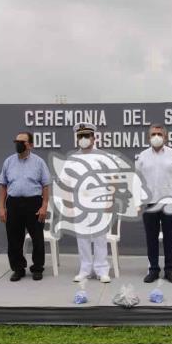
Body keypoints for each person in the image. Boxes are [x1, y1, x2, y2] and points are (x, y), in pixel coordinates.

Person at [0, 131, 51, 281]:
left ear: (31, 145)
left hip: (34, 203)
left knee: (37, 238)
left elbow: (46, 185)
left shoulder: (39, 162)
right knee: (14, 239)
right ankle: (18, 268)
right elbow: (2, 185)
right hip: (13, 203)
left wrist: (44, 205)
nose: (18, 144)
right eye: (16, 141)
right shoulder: (8, 162)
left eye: (22, 142)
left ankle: (37, 268)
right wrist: (1, 207)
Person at [135, 124, 172, 283]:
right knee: (151, 238)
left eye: (159, 134)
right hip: (150, 204)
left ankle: (169, 270)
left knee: (170, 238)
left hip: (170, 203)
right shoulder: (142, 156)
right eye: (153, 134)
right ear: (148, 137)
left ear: (165, 137)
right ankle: (154, 269)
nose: (156, 136)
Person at [70, 122, 111, 284]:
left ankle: (102, 270)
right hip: (80, 203)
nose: (83, 139)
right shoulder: (73, 158)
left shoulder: (103, 156)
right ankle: (85, 269)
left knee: (100, 238)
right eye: (80, 136)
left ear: (94, 138)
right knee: (83, 238)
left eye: (87, 136)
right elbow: (67, 182)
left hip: (99, 201)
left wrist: (109, 201)